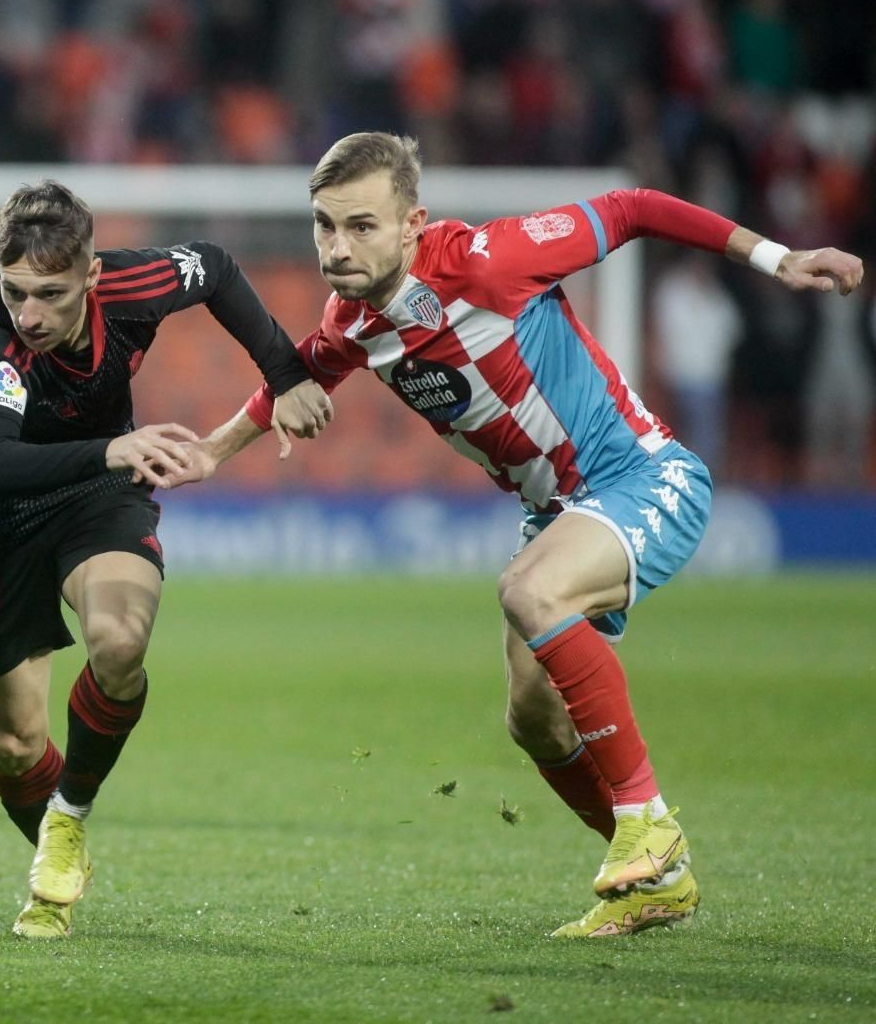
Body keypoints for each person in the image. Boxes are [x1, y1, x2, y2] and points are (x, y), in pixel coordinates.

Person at [187, 132, 863, 937]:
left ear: (412, 224)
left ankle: (648, 821)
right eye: (324, 226)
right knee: (532, 718)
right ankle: (657, 878)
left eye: (361, 226)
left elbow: (634, 207)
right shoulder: (354, 319)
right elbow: (295, 375)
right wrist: (207, 451)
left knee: (527, 590)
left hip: (644, 477)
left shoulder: (489, 260)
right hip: (557, 512)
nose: (337, 247)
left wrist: (775, 258)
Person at [0, 180, 331, 938]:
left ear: (93, 277)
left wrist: (287, 372)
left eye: (50, 293)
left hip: (96, 494)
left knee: (119, 641)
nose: (30, 314)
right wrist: (115, 446)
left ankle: (69, 818)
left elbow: (213, 266)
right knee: (14, 744)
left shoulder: (135, 284)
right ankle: (54, 833)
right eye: (16, 291)